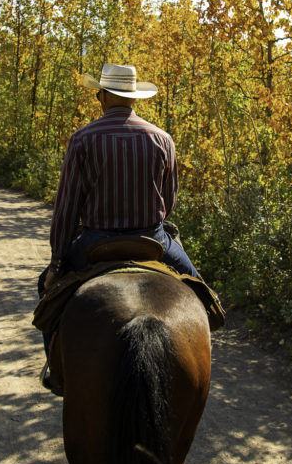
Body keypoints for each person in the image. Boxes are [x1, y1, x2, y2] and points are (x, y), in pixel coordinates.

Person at [38, 63, 200, 299]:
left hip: (95, 241)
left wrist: (56, 264)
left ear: (102, 96)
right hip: (152, 239)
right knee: (202, 293)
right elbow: (169, 201)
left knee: (45, 289)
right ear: (133, 99)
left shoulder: (81, 139)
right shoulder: (164, 140)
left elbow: (66, 210)